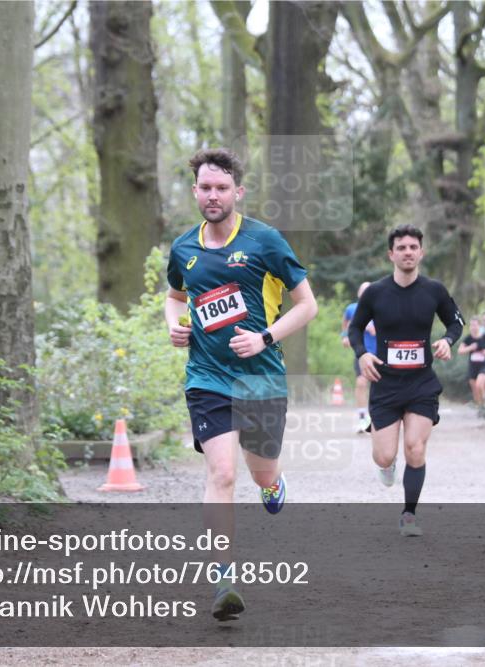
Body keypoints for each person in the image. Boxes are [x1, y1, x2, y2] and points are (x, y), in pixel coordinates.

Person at [165, 148, 318, 621]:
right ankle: (223, 579)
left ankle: (273, 485)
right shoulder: (183, 249)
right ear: (195, 191)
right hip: (207, 377)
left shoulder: (264, 241)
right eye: (205, 188)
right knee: (222, 474)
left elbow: (307, 305)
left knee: (260, 473)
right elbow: (174, 296)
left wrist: (264, 337)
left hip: (262, 378)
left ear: (238, 192)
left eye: (222, 188)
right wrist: (174, 325)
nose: (213, 196)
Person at [347, 225, 464, 537]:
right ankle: (387, 464)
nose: (408, 252)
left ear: (421, 253)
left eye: (413, 247)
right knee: (384, 455)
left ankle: (409, 515)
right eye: (401, 248)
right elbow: (355, 328)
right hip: (385, 384)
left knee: (415, 447)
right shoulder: (375, 293)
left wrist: (448, 341)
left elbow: (456, 321)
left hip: (421, 383)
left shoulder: (434, 290)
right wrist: (362, 354)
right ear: (391, 254)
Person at [342, 282, 376, 433]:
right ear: (358, 294)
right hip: (362, 353)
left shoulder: (381, 308)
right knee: (361, 383)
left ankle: (382, 418)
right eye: (363, 291)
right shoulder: (351, 309)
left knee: (381, 386)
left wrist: (375, 329)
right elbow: (346, 323)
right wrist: (345, 336)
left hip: (381, 352)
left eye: (369, 291)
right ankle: (362, 418)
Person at [458, 318, 485, 406]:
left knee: (479, 385)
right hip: (473, 366)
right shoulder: (468, 338)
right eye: (471, 325)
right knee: (475, 389)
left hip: (483, 366)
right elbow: (460, 351)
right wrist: (470, 347)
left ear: (479, 326)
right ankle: (479, 406)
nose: (473, 327)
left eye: (475, 325)